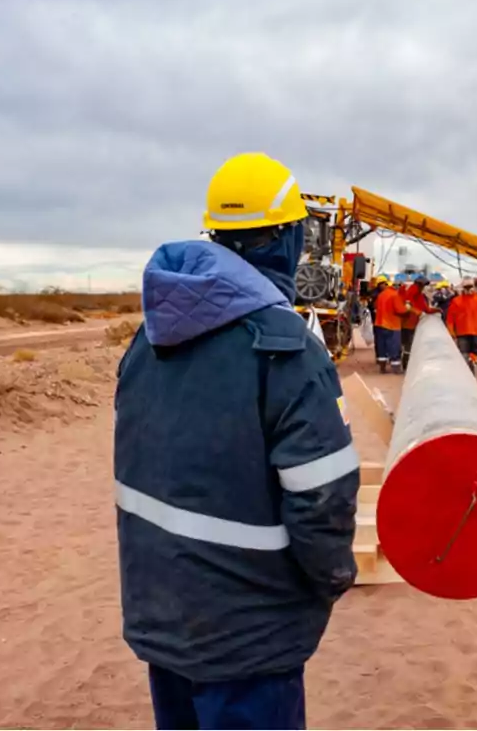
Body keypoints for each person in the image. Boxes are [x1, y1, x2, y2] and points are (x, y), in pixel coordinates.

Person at [114, 152, 360, 730]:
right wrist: (331, 578)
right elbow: (322, 500)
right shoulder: (285, 351)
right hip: (249, 637)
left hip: (163, 616)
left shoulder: (147, 344)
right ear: (286, 238)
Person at [446, 277, 477, 383]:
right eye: (466, 287)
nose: (468, 289)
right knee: (465, 357)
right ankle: (469, 379)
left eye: (470, 286)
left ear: (474, 287)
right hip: (462, 334)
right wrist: (452, 332)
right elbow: (450, 319)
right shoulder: (456, 301)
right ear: (463, 288)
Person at [372, 275, 408, 374]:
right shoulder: (394, 295)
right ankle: (395, 369)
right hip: (392, 325)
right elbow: (400, 310)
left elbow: (375, 307)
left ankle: (382, 368)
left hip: (379, 324)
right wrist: (408, 309)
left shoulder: (381, 295)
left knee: (381, 346)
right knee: (394, 346)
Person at [399, 276, 434, 371]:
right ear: (419, 284)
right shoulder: (411, 291)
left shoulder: (419, 294)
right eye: (423, 286)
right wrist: (419, 312)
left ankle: (406, 363)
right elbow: (407, 306)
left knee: (408, 345)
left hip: (413, 323)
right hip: (406, 323)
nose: (423, 288)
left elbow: (425, 308)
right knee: (407, 344)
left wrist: (435, 310)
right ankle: (404, 364)